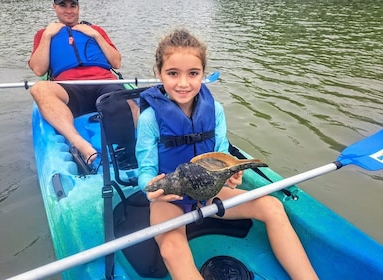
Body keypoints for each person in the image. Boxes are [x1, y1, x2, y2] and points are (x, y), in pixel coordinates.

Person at [136, 29, 318, 280]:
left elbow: (222, 156)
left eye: (193, 73)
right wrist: (151, 186)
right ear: (159, 74)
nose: (183, 83)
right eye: (173, 73)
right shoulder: (149, 119)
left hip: (211, 191)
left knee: (272, 206)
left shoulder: (216, 110)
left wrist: (233, 175)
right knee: (171, 249)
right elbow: (144, 170)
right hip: (170, 199)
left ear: (203, 74)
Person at [28, 0, 138, 165]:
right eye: (63, 5)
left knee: (129, 101)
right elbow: (38, 70)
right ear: (54, 7)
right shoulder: (43, 34)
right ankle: (78, 142)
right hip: (69, 89)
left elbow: (116, 62)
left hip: (104, 84)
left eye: (73, 5)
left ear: (78, 7)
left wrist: (95, 35)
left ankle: (134, 146)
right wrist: (47, 35)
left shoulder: (96, 30)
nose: (69, 10)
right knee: (39, 89)